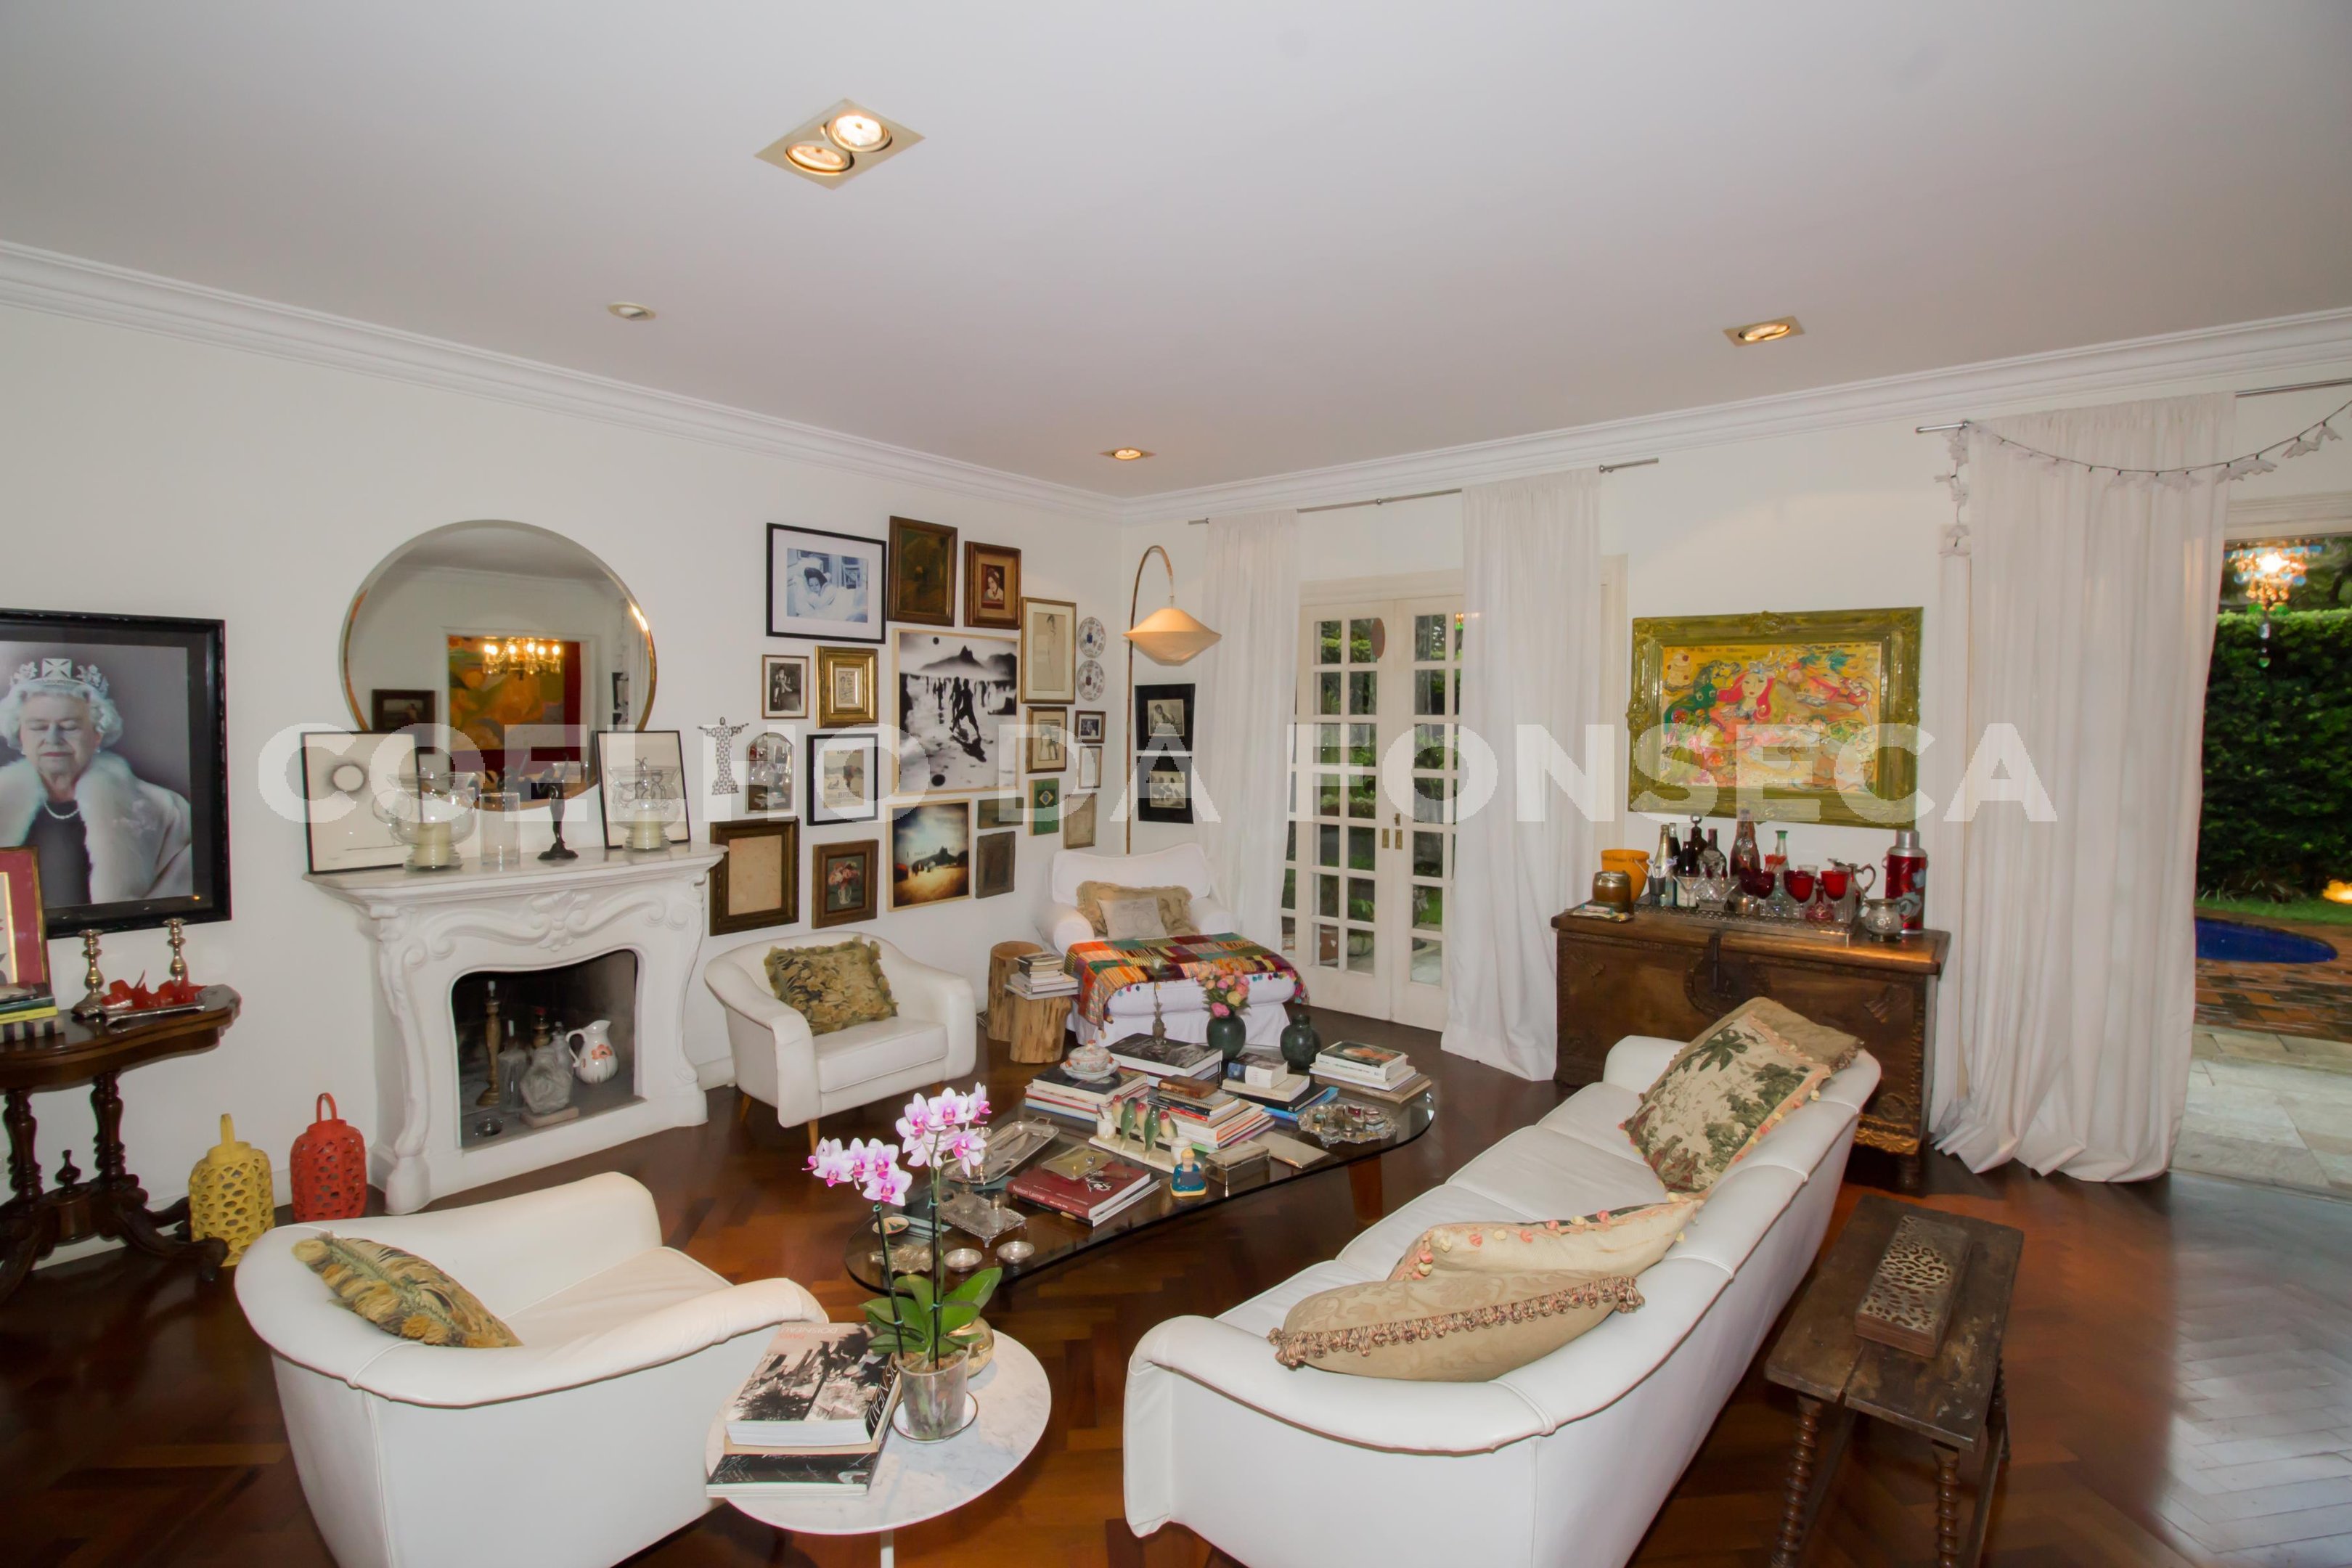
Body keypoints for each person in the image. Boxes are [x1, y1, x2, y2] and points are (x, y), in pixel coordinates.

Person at [0, 658, 193, 905]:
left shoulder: (165, 809)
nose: (53, 739)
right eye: (38, 727)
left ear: (97, 735)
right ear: (19, 735)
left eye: (69, 727)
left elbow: (181, 900)